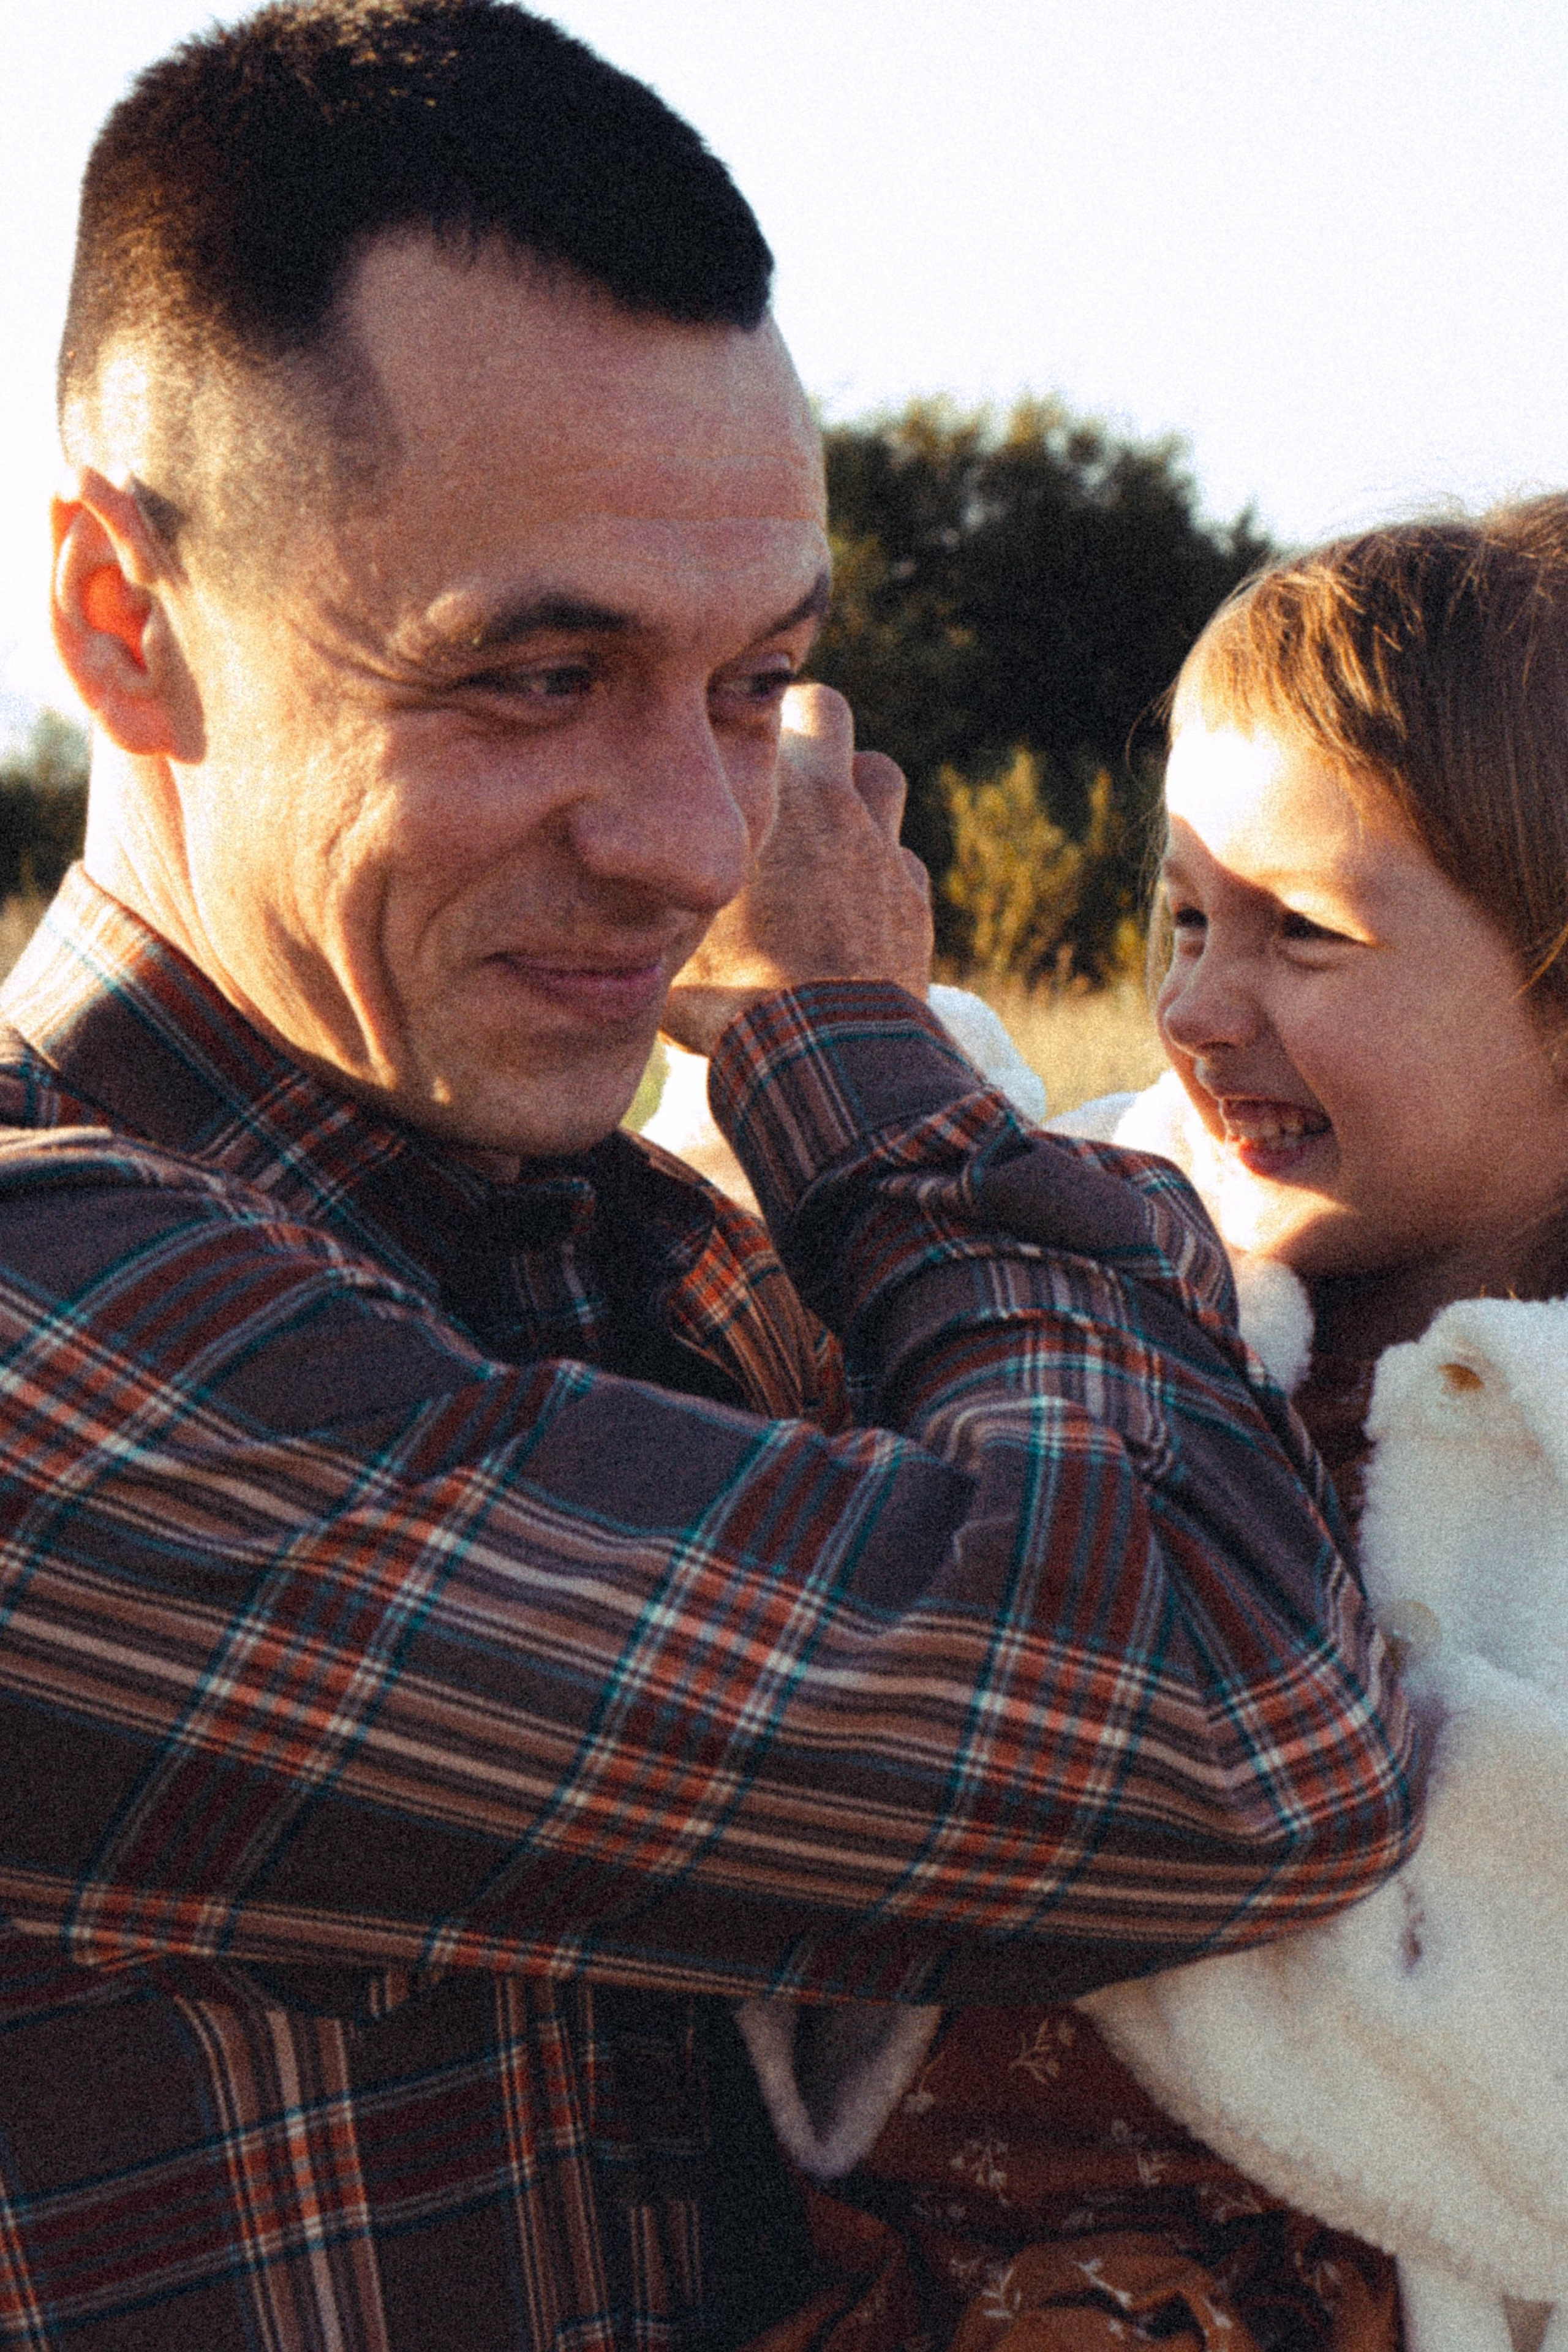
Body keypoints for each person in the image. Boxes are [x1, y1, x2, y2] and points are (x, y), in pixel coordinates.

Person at [0, 5, 1416, 2348]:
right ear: (126, 624)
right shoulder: (52, 1350)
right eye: (535, 677)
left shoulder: (663, 1257)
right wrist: (862, 1053)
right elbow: (1231, 1725)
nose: (692, 847)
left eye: (758, 685)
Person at [745, 502, 1568, 2352]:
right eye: (1185, 915)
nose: (1198, 1005)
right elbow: (952, 1160)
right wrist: (813, 1022)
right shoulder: (1136, 1237)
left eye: (1303, 931)